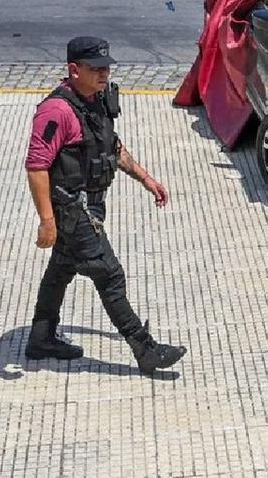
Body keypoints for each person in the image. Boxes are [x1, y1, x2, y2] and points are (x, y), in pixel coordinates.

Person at [24, 37, 186, 375]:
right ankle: (145, 348)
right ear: (74, 70)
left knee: (62, 268)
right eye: (95, 68)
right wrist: (46, 221)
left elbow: (111, 147)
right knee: (109, 274)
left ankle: (41, 337)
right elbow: (37, 166)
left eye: (106, 67)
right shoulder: (56, 111)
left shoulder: (95, 100)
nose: (103, 74)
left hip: (91, 207)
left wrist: (146, 179)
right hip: (72, 210)